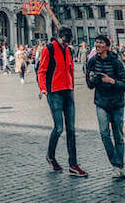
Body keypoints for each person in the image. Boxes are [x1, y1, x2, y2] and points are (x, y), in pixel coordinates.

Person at [37, 26, 88, 177]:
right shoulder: (49, 49)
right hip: (54, 92)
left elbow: (70, 68)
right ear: (58, 37)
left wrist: (71, 86)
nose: (66, 45)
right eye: (64, 42)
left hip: (67, 91)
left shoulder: (68, 50)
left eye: (68, 43)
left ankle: (73, 165)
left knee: (71, 129)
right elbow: (41, 70)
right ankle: (50, 156)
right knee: (59, 128)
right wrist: (43, 88)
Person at [86, 35, 125, 180]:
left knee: (118, 136)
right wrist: (91, 79)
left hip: (117, 103)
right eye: (96, 42)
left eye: (100, 43)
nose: (97, 45)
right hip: (101, 103)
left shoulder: (117, 63)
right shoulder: (91, 61)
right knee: (104, 134)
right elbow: (90, 85)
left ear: (107, 46)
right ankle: (115, 163)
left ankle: (119, 166)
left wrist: (112, 81)